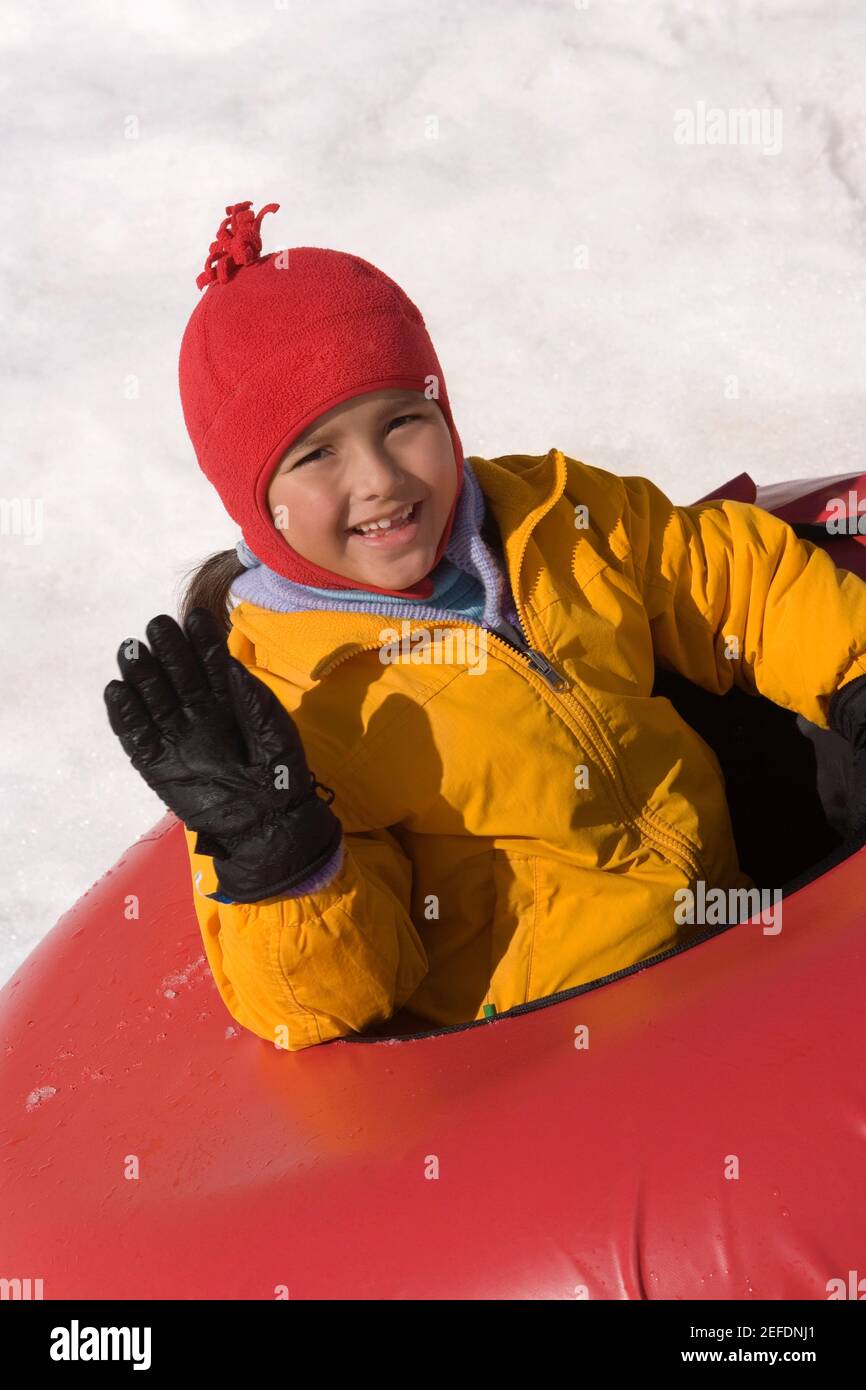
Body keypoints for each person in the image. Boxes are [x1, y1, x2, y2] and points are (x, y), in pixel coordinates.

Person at [104, 200, 866, 1050]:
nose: (382, 479)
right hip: (570, 1045)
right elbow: (331, 1004)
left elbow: (731, 579)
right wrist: (284, 862)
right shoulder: (295, 708)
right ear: (252, 498)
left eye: (403, 422)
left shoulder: (553, 515)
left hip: (739, 918)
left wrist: (854, 673)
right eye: (318, 454)